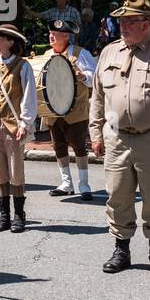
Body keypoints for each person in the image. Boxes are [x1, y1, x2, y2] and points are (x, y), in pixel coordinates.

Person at [90, 0, 150, 277]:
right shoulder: (109, 52)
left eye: (130, 21)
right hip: (116, 137)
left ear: (146, 24)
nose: (123, 25)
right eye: (121, 20)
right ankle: (122, 250)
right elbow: (97, 96)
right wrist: (95, 132)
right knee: (118, 195)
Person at [0, 24, 37, 232]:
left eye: (0, 38)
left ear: (11, 41)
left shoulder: (23, 66)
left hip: (14, 125)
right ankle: (4, 215)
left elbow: (29, 96)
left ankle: (19, 215)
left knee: (16, 172)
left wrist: (25, 122)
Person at [38, 18, 97, 201]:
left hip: (76, 109)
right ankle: (67, 183)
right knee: (59, 146)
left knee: (79, 145)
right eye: (50, 34)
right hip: (53, 110)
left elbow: (95, 76)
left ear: (66, 36)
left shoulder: (81, 54)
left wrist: (83, 76)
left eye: (55, 35)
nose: (51, 37)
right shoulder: (47, 55)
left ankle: (84, 184)